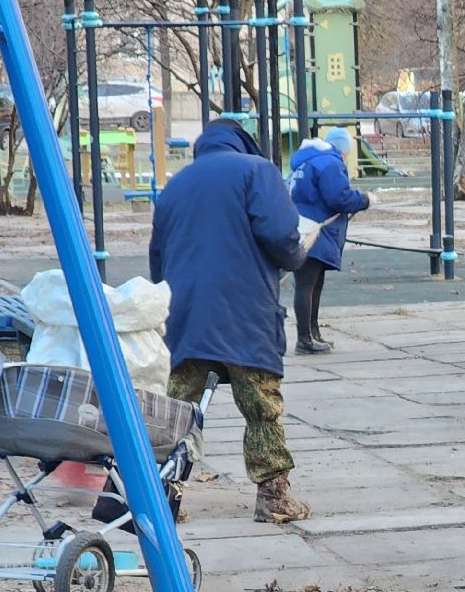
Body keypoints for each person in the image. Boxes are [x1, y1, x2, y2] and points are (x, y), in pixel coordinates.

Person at [149, 118, 313, 524]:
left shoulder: (175, 186)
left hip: (186, 314)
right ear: (243, 144)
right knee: (260, 405)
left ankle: (161, 497)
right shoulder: (257, 171)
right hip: (244, 312)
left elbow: (157, 262)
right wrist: (297, 255)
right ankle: (273, 496)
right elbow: (280, 235)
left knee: (178, 408)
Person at [286, 126, 373, 355]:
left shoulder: (304, 163)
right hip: (317, 231)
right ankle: (305, 338)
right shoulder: (329, 163)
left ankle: (312, 333)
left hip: (302, 227)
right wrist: (364, 200)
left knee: (312, 282)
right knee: (307, 284)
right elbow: (338, 197)